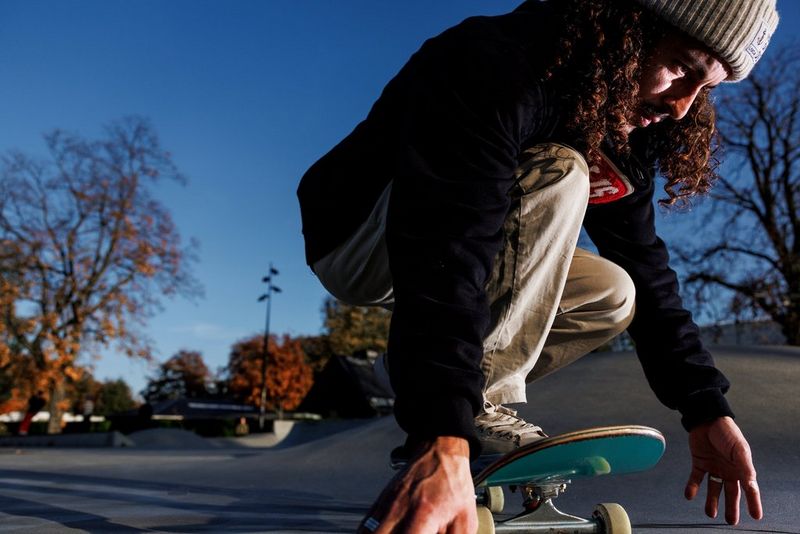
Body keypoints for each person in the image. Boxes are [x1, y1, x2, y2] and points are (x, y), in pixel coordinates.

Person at [297, 0, 779, 531]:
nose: (682, 106)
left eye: (705, 88)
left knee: (615, 292)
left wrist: (707, 410)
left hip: (457, 244)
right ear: (629, 25)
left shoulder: (621, 124)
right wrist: (442, 431)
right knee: (561, 171)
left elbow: (647, 269)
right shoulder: (501, 65)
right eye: (681, 68)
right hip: (365, 235)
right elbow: (448, 246)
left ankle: (418, 375)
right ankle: (467, 407)